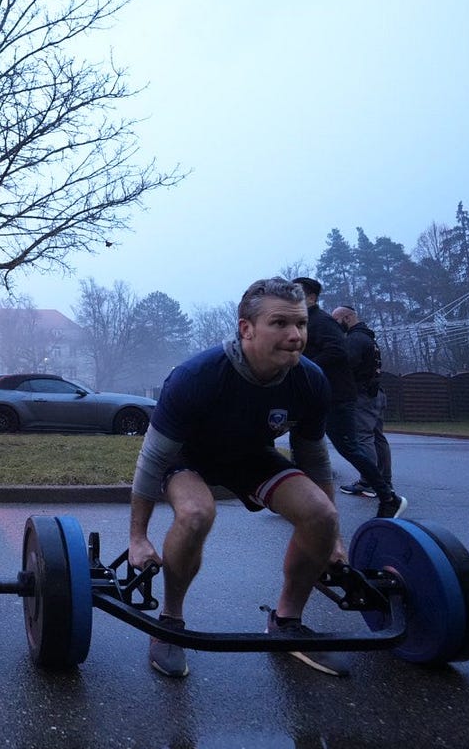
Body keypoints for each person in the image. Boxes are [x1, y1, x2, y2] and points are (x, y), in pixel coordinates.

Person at [128, 277, 353, 680]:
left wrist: (334, 536)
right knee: (196, 513)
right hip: (188, 456)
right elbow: (152, 459)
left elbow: (314, 459)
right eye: (280, 324)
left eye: (300, 324)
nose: (295, 335)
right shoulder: (196, 376)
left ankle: (287, 624)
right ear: (246, 328)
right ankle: (170, 623)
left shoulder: (310, 380)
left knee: (321, 515)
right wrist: (138, 538)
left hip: (250, 456)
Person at [289, 278, 404, 519]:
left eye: (297, 294)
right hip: (315, 396)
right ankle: (297, 497)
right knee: (300, 442)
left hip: (336, 397)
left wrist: (304, 367)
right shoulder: (304, 323)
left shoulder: (323, 321)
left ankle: (388, 496)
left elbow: (337, 351)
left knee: (349, 447)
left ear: (311, 298)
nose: (292, 298)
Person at [331, 306, 393, 494]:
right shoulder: (368, 338)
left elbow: (345, 366)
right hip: (376, 393)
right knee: (377, 437)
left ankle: (369, 482)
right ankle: (384, 480)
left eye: (337, 320)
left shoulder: (355, 339)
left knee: (363, 437)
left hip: (363, 395)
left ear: (347, 318)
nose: (336, 325)